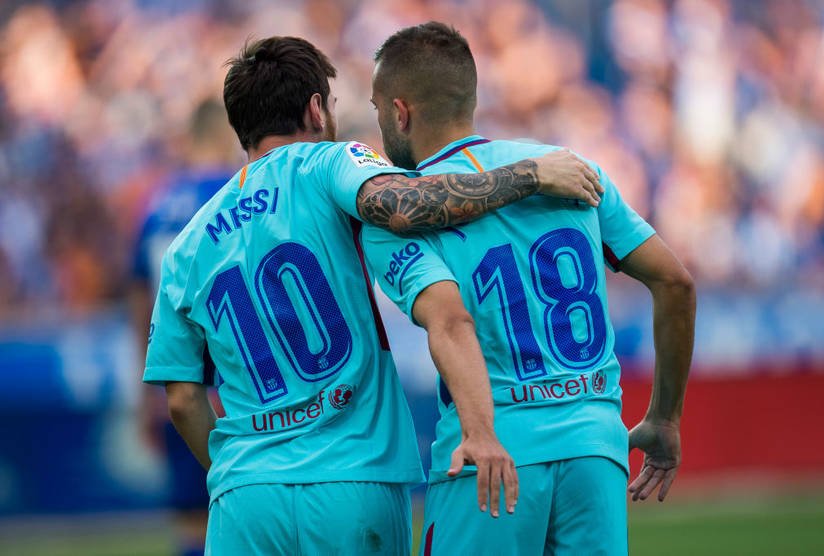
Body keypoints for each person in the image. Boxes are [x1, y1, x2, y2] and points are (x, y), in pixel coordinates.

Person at [142, 36, 603, 555]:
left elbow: (182, 398)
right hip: (353, 478)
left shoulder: (186, 244)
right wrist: (531, 174)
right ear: (316, 109)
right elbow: (404, 205)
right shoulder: (329, 162)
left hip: (246, 495)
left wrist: (241, 474)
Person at [361, 22, 696, 555]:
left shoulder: (399, 215)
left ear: (400, 112)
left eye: (378, 109)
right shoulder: (573, 172)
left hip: (491, 449)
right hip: (595, 445)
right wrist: (664, 417)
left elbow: (451, 320)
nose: (380, 123)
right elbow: (675, 283)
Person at [130, 98, 240, 556]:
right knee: (244, 513)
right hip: (236, 382)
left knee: (193, 523)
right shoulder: (237, 194)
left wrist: (145, 391)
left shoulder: (156, 206)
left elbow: (140, 303)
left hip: (177, 379)